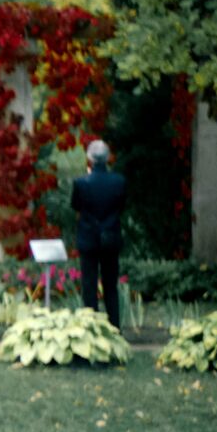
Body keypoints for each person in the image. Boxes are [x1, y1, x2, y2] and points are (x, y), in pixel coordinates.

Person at [71, 139, 126, 328]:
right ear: (108, 158)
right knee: (111, 286)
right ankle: (115, 328)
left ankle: (92, 330)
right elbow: (121, 207)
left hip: (88, 238)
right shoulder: (119, 182)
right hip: (110, 238)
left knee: (89, 286)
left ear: (90, 159)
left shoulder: (81, 183)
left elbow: (76, 206)